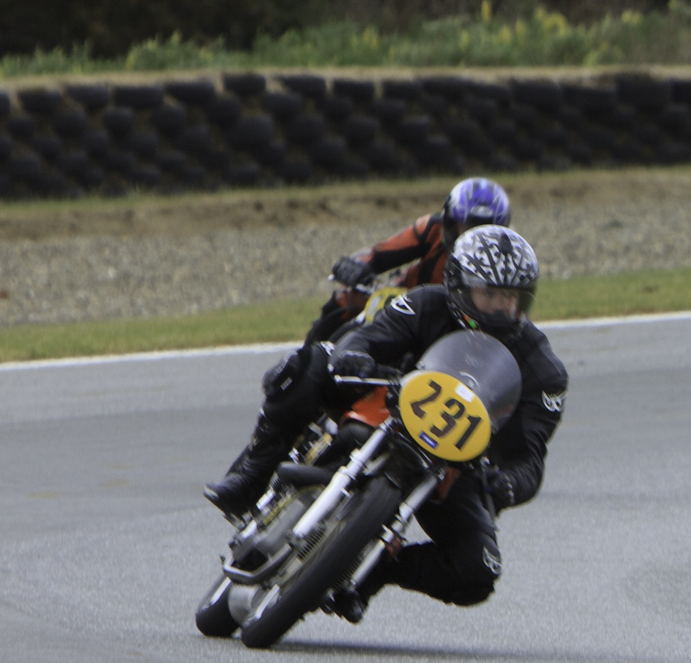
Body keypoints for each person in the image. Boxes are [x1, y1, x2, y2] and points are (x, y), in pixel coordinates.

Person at [206, 225, 567, 617]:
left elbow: (530, 459)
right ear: (460, 285)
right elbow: (369, 336)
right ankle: (253, 474)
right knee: (308, 363)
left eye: (510, 298)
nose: (500, 307)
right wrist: (354, 354)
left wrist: (508, 484)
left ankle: (378, 569)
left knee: (478, 569)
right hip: (386, 404)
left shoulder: (544, 372)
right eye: (490, 293)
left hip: (454, 464)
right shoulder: (427, 303)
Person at [303, 177, 512, 346]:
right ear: (451, 223)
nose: (473, 237)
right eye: (468, 227)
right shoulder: (432, 229)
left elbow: (509, 311)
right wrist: (357, 265)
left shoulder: (507, 263)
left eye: (483, 230)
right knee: (346, 299)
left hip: (458, 328)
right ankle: (308, 362)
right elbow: (380, 253)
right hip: (404, 301)